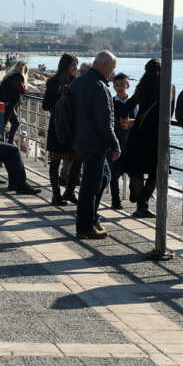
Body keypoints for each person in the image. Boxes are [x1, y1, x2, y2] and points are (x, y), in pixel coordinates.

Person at [66, 53, 122, 240]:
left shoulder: (79, 83)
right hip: (94, 142)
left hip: (80, 139)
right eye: (112, 68)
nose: (113, 73)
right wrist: (114, 144)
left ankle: (92, 218)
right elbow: (104, 120)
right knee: (90, 185)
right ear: (104, 66)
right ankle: (85, 226)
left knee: (103, 177)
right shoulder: (99, 87)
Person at [123, 58, 175, 221]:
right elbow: (170, 113)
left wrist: (125, 120)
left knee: (137, 169)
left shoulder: (142, 87)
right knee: (157, 172)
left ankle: (140, 201)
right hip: (157, 135)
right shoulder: (169, 87)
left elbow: (127, 106)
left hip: (139, 132)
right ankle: (143, 201)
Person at [43, 54, 81, 207]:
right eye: (73, 65)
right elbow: (46, 105)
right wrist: (61, 104)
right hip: (58, 125)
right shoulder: (53, 83)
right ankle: (56, 194)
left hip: (73, 126)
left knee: (78, 158)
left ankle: (70, 191)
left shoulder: (77, 83)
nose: (75, 69)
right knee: (55, 160)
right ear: (66, 66)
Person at [109, 72, 136, 211]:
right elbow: (108, 120)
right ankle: (115, 200)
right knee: (114, 174)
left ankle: (135, 195)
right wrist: (119, 124)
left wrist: (130, 122)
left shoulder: (133, 103)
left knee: (134, 172)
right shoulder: (112, 102)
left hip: (130, 142)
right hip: (116, 141)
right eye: (117, 85)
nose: (119, 87)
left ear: (128, 85)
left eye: (122, 85)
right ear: (113, 86)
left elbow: (138, 119)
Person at [0, 61, 28, 143]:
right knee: (4, 125)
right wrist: (25, 87)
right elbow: (22, 90)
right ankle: (4, 144)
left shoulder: (9, 76)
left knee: (14, 123)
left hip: (2, 102)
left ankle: (8, 143)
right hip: (7, 104)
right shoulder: (18, 77)